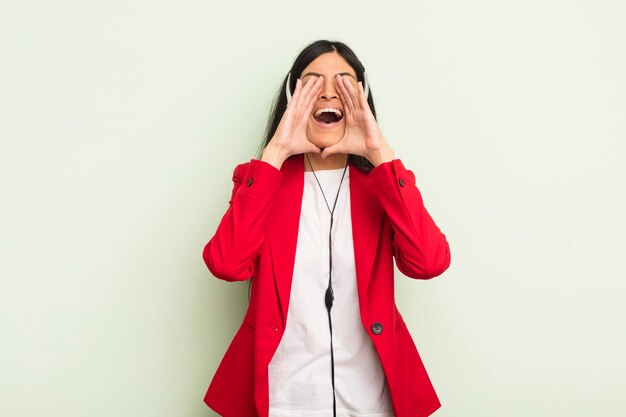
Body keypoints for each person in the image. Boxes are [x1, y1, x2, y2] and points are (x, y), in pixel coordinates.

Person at [202, 39, 451, 417]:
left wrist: (378, 151)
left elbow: (429, 262)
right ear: (292, 96)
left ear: (362, 97)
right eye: (313, 84)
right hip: (282, 400)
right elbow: (226, 263)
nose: (329, 94)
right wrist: (277, 151)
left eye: (345, 83)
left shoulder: (382, 185)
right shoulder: (262, 182)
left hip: (370, 402)